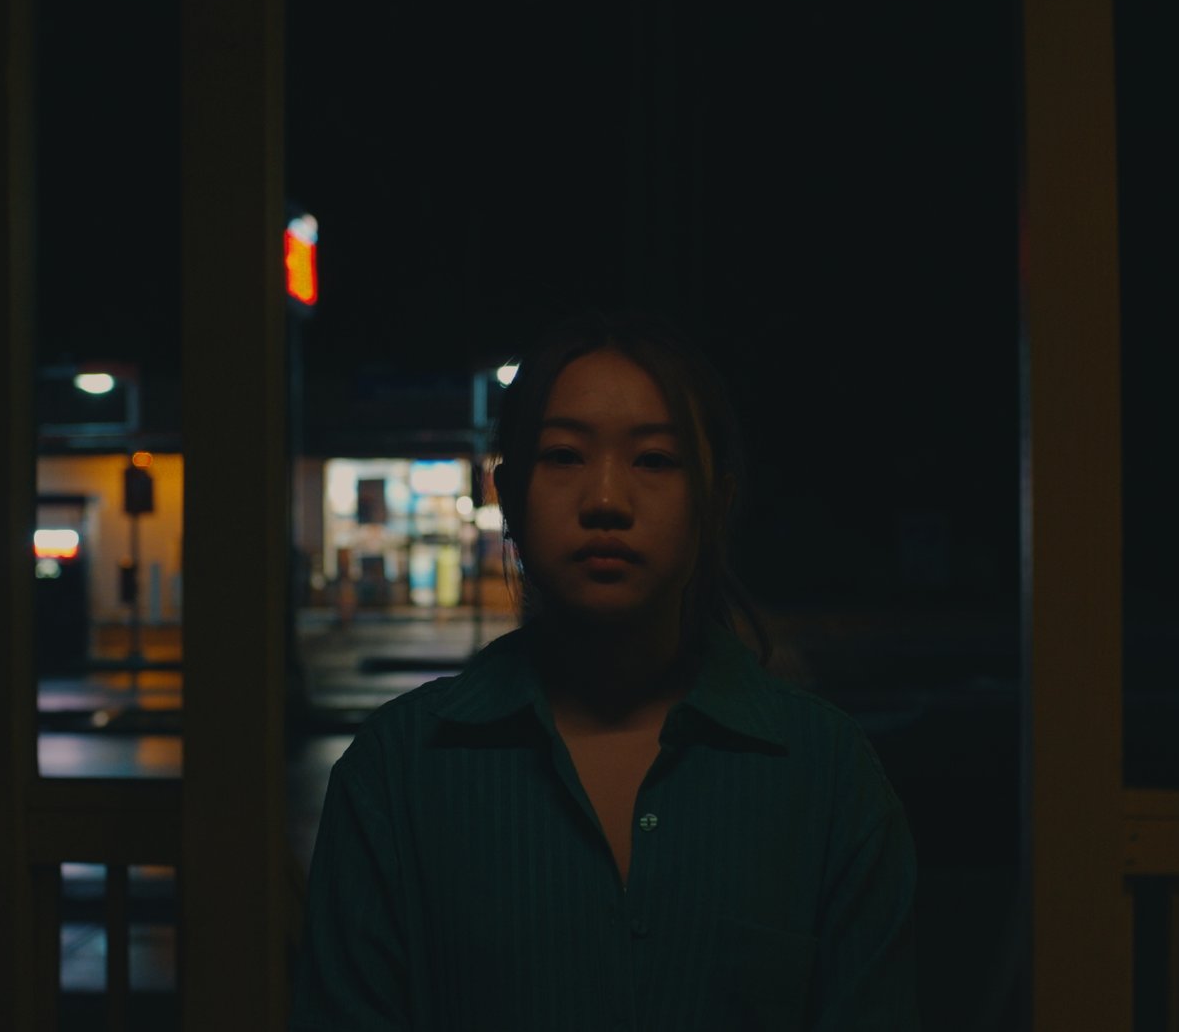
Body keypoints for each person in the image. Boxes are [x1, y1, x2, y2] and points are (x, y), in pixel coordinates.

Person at [290, 313, 921, 1031]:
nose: (606, 500)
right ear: (511, 497)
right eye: (563, 455)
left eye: (654, 459)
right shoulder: (396, 773)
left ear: (717, 501)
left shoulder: (827, 777)